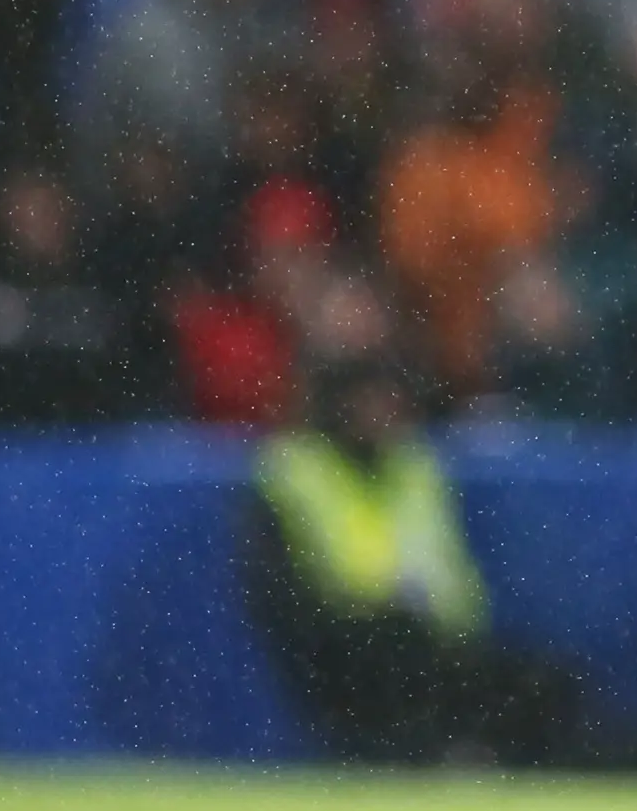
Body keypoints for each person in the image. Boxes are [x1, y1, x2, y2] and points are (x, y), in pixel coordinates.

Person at [239, 305, 579, 767]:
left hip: (434, 644)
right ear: (339, 404)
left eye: (392, 400)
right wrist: (371, 615)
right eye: (371, 401)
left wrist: (447, 626)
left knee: (546, 681)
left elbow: (452, 576)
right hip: (349, 653)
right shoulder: (295, 469)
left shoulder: (415, 466)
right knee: (396, 651)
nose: (385, 414)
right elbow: (280, 595)